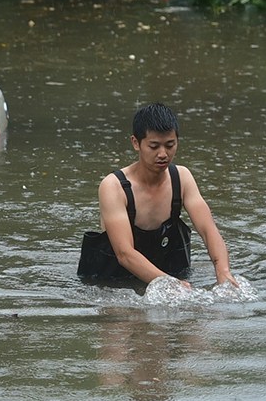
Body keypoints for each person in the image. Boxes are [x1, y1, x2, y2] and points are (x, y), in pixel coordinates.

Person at [78, 102, 238, 287]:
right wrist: (171, 284)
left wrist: (223, 271)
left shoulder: (182, 178)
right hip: (113, 283)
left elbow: (208, 230)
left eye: (170, 145)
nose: (163, 154)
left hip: (171, 273)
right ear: (136, 143)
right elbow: (124, 253)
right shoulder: (113, 186)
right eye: (154, 146)